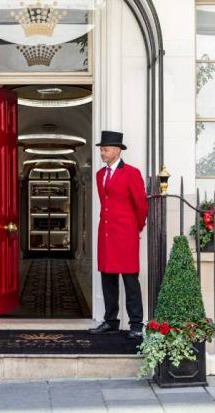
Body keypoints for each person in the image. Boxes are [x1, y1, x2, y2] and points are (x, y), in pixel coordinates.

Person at [87, 130, 149, 340]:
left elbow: (141, 206)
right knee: (107, 278)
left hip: (125, 234)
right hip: (106, 234)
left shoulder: (132, 173)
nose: (102, 153)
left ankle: (137, 323)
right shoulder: (99, 175)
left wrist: (135, 228)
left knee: (130, 280)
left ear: (116, 150)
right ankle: (111, 321)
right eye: (102, 149)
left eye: (105, 149)